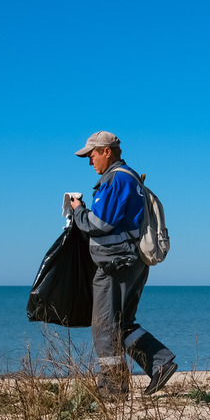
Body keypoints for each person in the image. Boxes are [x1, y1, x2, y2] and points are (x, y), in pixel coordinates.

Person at [69, 131, 177, 394]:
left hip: (116, 265)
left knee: (104, 326)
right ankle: (159, 362)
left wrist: (78, 211)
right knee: (122, 323)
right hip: (133, 262)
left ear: (107, 151)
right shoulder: (129, 178)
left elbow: (100, 224)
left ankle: (114, 387)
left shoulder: (116, 180)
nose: (89, 161)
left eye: (91, 154)